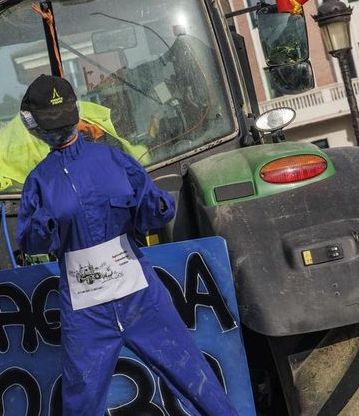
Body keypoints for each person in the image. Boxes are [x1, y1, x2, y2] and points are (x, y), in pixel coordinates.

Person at [16, 75, 237, 415]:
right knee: (192, 379)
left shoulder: (41, 182)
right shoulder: (111, 162)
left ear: (32, 125)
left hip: (118, 303)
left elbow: (32, 242)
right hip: (105, 306)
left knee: (193, 377)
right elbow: (154, 212)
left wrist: (48, 224)